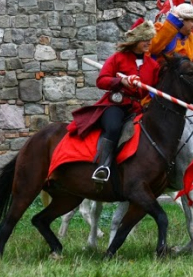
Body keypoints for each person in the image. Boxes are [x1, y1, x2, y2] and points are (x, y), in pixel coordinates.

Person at [68, 19, 159, 183]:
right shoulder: (118, 58)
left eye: (150, 39)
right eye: (145, 39)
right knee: (114, 127)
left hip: (138, 108)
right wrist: (120, 82)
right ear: (136, 40)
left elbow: (153, 89)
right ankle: (103, 166)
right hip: (116, 105)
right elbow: (101, 80)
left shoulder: (153, 65)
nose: (149, 43)